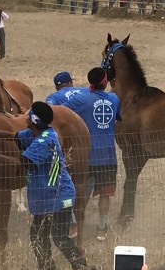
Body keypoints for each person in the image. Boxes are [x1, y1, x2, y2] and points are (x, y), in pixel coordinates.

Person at [15, 101, 90, 270]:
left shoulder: (43, 141)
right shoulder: (40, 133)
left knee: (55, 236)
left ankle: (76, 267)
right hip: (50, 196)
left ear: (33, 121)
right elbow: (13, 136)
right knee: (42, 236)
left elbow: (24, 163)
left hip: (58, 196)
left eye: (29, 115)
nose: (25, 116)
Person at [62, 67, 121, 242]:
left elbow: (61, 113)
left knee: (78, 193)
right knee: (105, 194)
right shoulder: (114, 99)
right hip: (108, 156)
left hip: (85, 156)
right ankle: (102, 229)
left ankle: (73, 225)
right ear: (105, 81)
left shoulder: (80, 100)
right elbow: (117, 117)